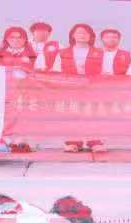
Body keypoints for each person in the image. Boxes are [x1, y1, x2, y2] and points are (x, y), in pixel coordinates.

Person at [56, 24, 104, 153]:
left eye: (85, 33)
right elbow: (57, 70)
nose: (82, 35)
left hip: (93, 89)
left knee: (93, 114)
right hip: (70, 89)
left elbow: (105, 70)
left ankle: (95, 142)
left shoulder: (99, 53)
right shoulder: (63, 53)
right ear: (73, 35)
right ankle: (73, 142)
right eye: (79, 33)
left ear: (91, 36)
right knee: (72, 114)